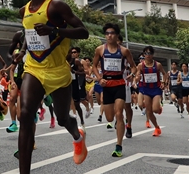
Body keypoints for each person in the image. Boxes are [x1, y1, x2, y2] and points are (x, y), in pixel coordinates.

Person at [7, 0, 89, 174]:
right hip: (34, 68)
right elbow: (29, 37)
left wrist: (55, 29)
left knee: (63, 118)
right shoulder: (23, 10)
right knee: (25, 114)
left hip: (58, 71)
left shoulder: (56, 6)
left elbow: (83, 31)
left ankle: (77, 135)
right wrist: (20, 54)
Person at [92, 23, 136, 157]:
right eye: (106, 33)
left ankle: (119, 146)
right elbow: (94, 66)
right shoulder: (100, 49)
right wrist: (99, 79)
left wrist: (132, 75)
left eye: (111, 33)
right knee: (109, 117)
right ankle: (118, 121)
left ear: (117, 35)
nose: (109, 35)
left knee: (118, 113)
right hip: (106, 85)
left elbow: (133, 66)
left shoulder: (124, 51)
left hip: (119, 84)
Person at [134, 46, 167, 137]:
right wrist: (137, 78)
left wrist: (163, 82)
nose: (148, 55)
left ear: (152, 55)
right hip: (146, 89)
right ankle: (156, 127)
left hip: (156, 89)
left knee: (155, 109)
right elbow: (137, 76)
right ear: (144, 54)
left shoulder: (158, 65)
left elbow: (165, 74)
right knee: (149, 111)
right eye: (146, 53)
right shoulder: (141, 65)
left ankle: (159, 107)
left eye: (150, 53)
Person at [68, 47, 88, 126]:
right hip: (65, 83)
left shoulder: (76, 61)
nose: (72, 54)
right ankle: (71, 116)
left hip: (74, 83)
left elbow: (83, 73)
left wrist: (74, 71)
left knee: (77, 104)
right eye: (71, 52)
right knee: (67, 102)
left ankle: (82, 121)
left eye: (74, 52)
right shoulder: (64, 61)